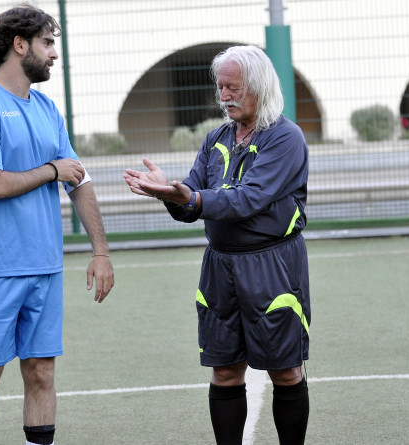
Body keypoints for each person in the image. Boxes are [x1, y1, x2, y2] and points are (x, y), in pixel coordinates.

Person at [124, 45, 310, 444]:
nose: (223, 96)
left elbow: (248, 199)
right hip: (219, 267)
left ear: (259, 86)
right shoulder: (215, 138)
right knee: (224, 371)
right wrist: (168, 192)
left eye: (232, 87)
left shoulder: (285, 138)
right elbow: (191, 200)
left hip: (272, 266)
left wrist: (190, 198)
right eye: (220, 87)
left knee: (285, 371)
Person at [0, 5, 114, 445]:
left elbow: (78, 179)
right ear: (20, 45)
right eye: (47, 43)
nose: (54, 53)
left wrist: (101, 252)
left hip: (45, 267)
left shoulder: (47, 108)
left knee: (42, 373)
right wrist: (51, 170)